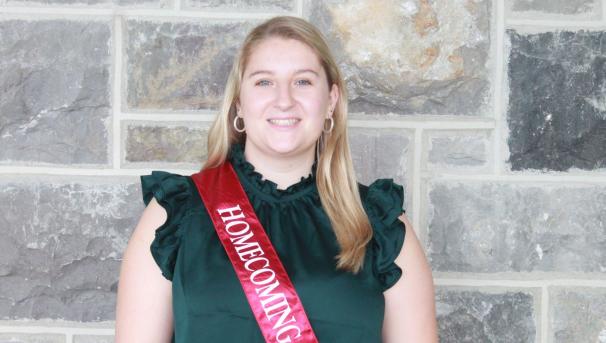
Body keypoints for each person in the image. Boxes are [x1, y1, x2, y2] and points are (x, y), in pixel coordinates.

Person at [115, 15, 437, 343]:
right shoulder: (174, 214)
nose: (284, 100)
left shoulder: (381, 225)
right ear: (239, 103)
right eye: (264, 81)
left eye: (304, 81)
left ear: (331, 101)